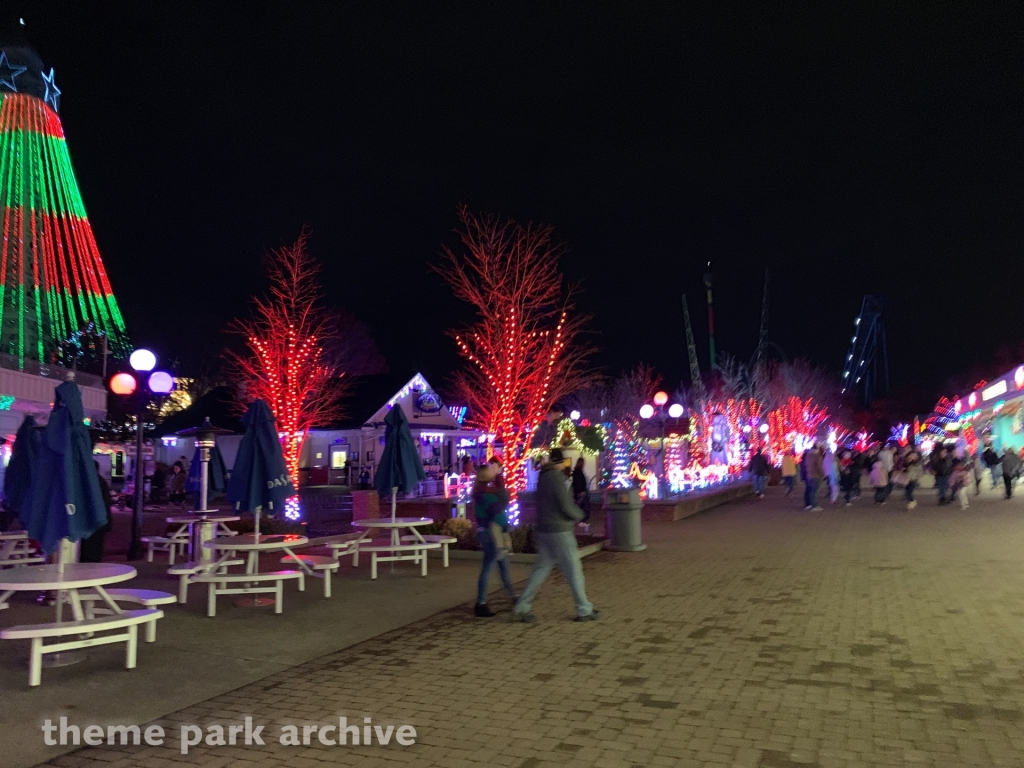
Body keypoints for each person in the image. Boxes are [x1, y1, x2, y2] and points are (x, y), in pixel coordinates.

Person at [514, 448, 597, 622]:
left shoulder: (542, 478)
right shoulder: (558, 479)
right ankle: (584, 609)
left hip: (544, 529)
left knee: (541, 569)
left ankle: (522, 607)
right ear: (560, 463)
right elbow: (565, 506)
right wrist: (580, 515)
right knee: (574, 570)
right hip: (560, 530)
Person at [472, 464, 516, 617]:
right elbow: (499, 512)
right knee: (490, 566)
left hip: (485, 532)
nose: (494, 470)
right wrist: (505, 528)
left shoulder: (479, 492)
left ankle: (512, 596)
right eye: (491, 470)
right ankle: (481, 603)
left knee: (501, 565)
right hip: (492, 534)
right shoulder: (488, 495)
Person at [80, 462, 114, 563]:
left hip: (94, 520)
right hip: (100, 520)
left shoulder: (92, 482)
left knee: (90, 548)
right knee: (96, 547)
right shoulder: (99, 481)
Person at [571, 457, 592, 528]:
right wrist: (580, 491)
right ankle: (582, 521)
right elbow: (578, 483)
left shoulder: (576, 472)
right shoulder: (579, 472)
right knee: (584, 507)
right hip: (581, 493)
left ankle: (581, 521)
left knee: (581, 507)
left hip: (579, 492)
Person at [802, 445, 824, 510]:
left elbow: (806, 465)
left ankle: (809, 504)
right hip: (816, 475)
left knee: (809, 490)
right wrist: (822, 474)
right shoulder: (817, 456)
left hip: (809, 475)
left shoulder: (808, 456)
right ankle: (814, 505)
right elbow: (818, 467)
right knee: (814, 491)